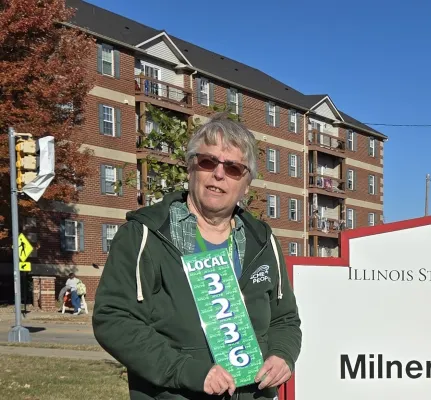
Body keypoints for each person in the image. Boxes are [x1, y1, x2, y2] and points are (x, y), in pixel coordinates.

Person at [92, 113, 302, 400]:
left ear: (246, 184)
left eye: (233, 168)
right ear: (191, 168)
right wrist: (186, 370)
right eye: (208, 161)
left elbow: (285, 319)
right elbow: (113, 319)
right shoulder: (144, 235)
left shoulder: (263, 241)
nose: (218, 174)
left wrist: (282, 355)